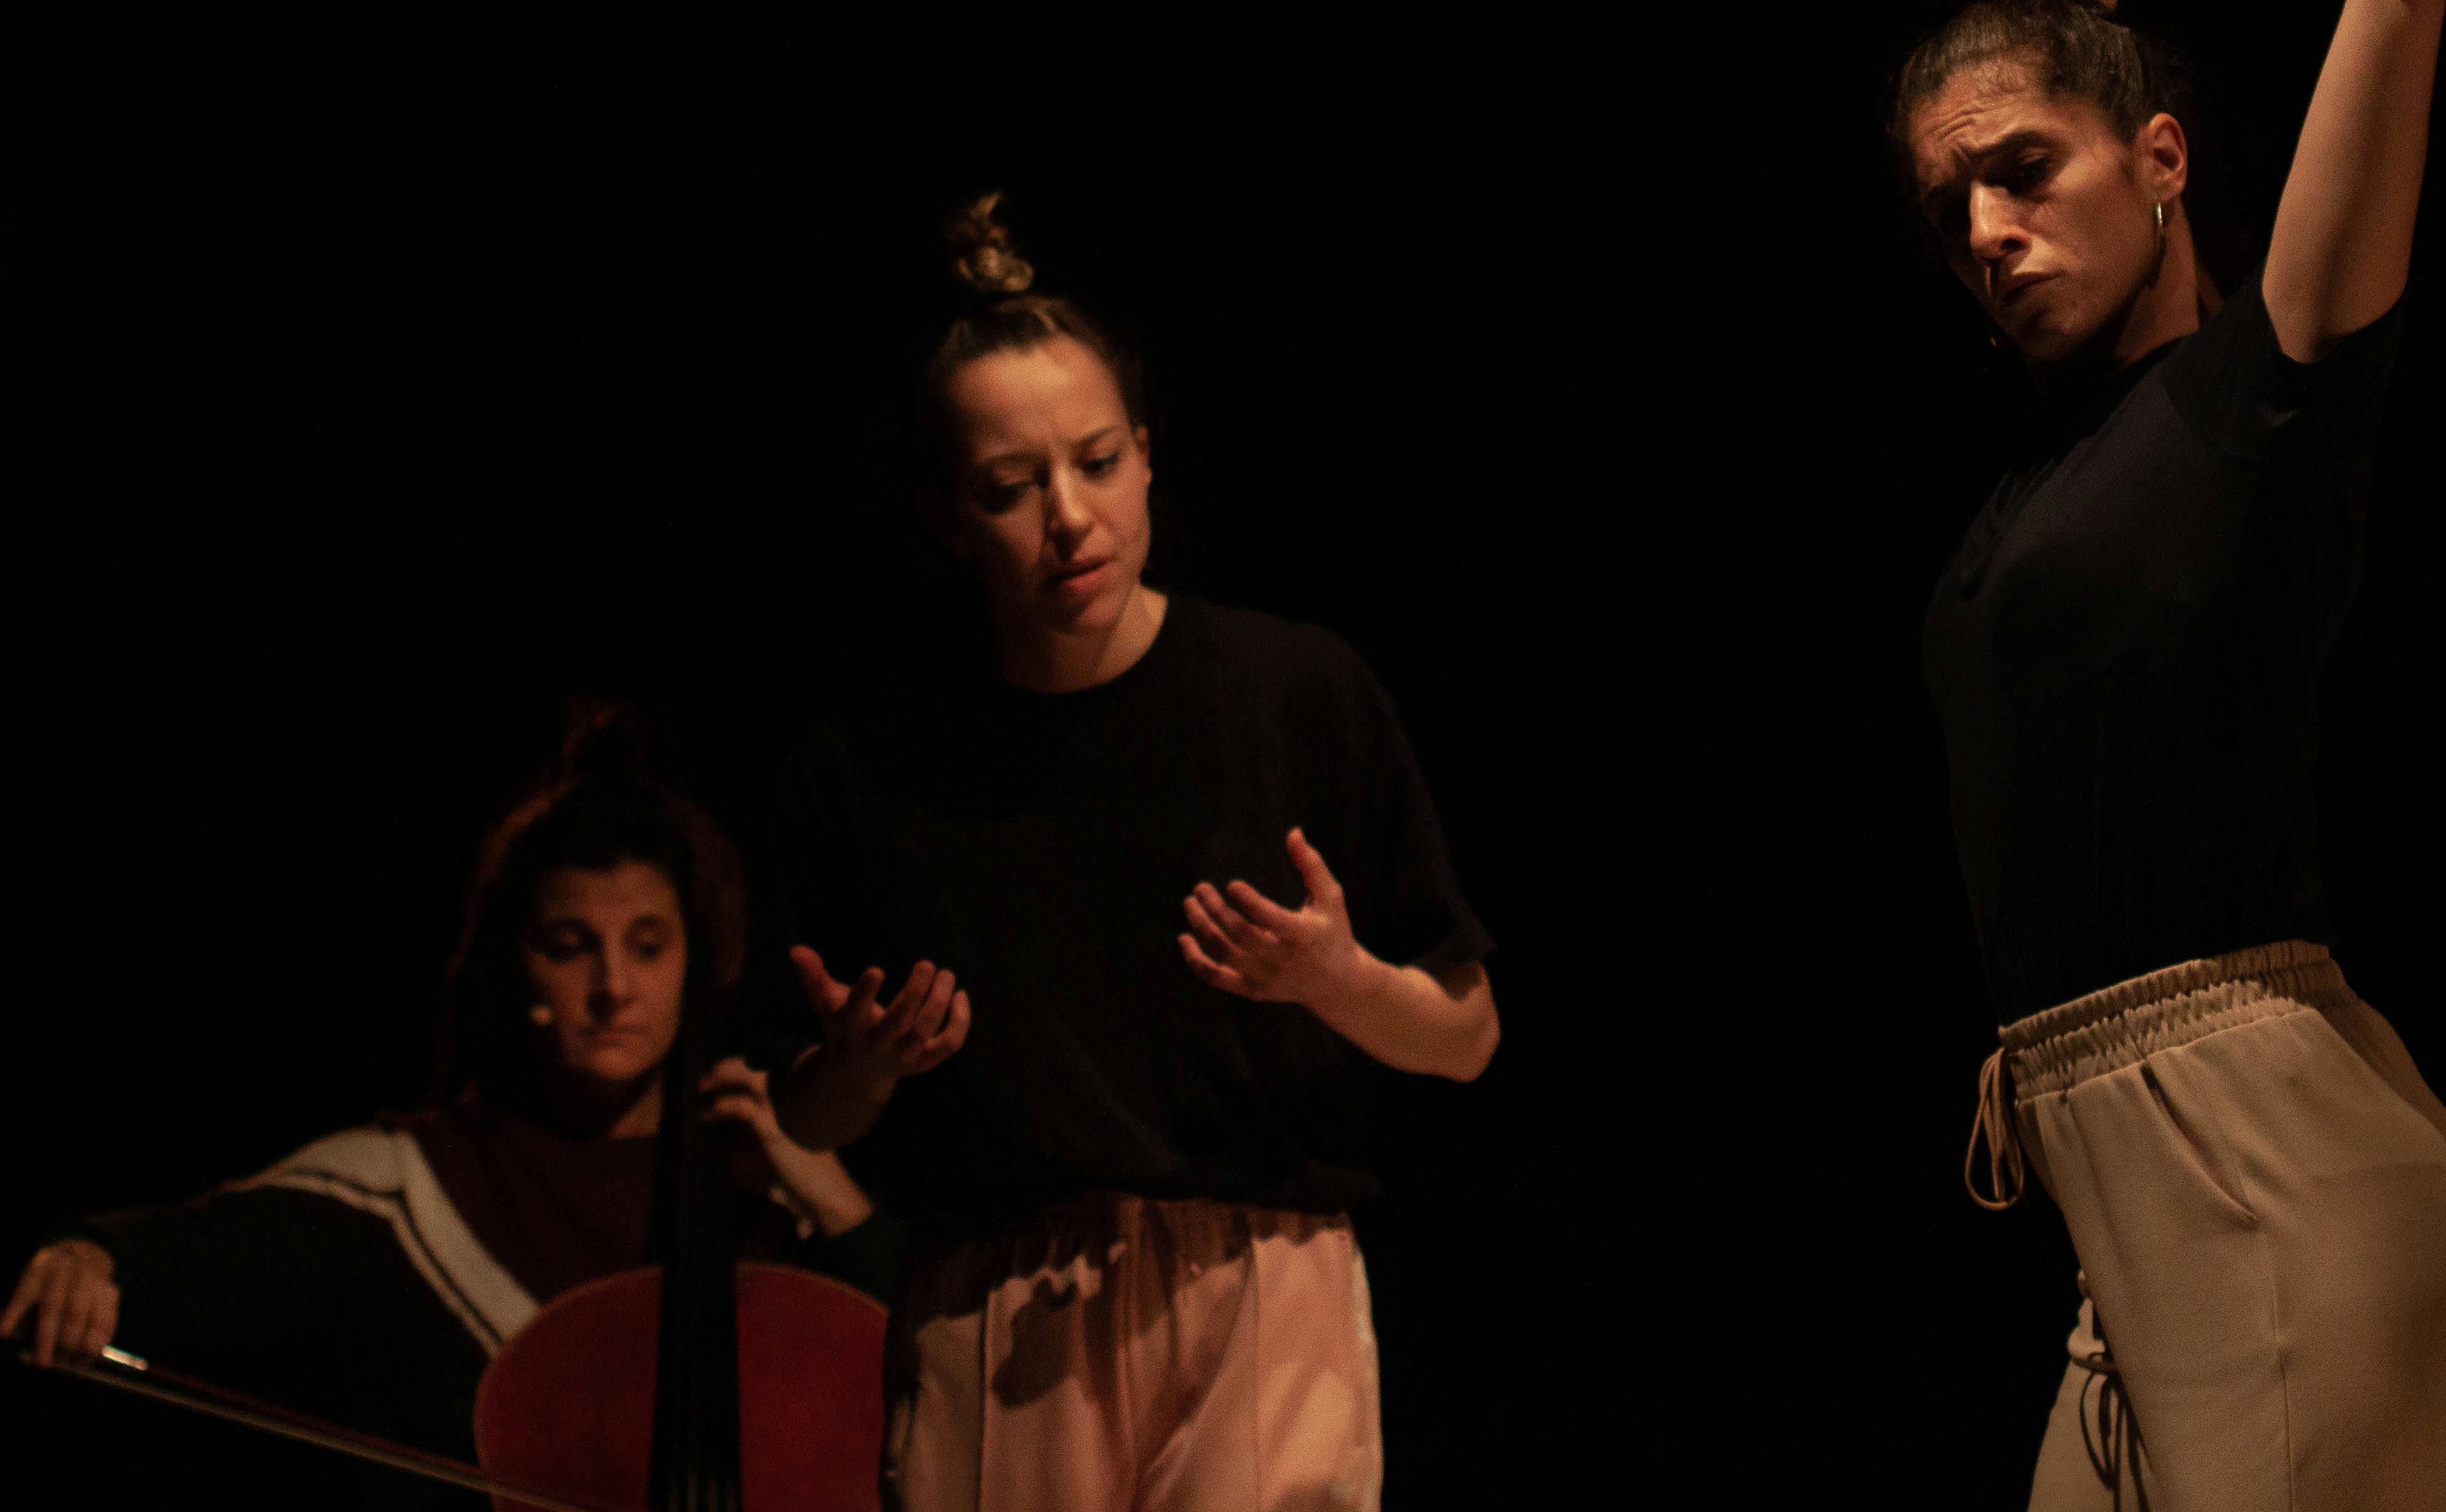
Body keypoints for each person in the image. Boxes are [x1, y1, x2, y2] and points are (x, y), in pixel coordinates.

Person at [1908, 0, 2446, 1507]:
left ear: (2164, 162)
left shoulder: (2267, 387)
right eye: (1950, 206)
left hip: (2279, 1174)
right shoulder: (2054, 452)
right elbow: (2042, 51)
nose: (1989, 233)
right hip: (2126, 1211)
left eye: (2026, 179)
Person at [755, 195, 1497, 1512]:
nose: (1069, 518)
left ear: (1149, 457)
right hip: (999, 1297)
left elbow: (1468, 1036)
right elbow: (802, 1115)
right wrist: (858, 1070)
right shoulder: (870, 759)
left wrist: (1338, 980)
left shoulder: (1296, 689)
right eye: (1010, 487)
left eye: (1097, 462)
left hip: (1263, 1281)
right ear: (944, 516)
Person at [1, 703, 907, 1507]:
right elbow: (184, 1257)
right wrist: (87, 1254)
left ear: (693, 963)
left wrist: (835, 1199)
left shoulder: (759, 1185)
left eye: (648, 946)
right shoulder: (413, 1183)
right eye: (570, 945)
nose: (614, 987)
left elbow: (925, 1394)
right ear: (516, 968)